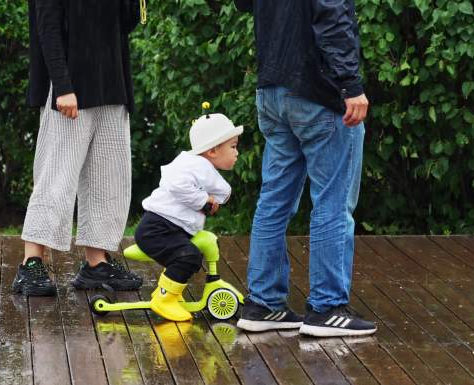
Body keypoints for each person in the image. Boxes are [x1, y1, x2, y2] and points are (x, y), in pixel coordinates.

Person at [234, 0, 377, 337]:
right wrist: (350, 85)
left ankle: (263, 304)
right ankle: (327, 308)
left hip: (272, 88)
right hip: (316, 90)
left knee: (275, 199)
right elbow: (333, 16)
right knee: (333, 199)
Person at [12, 0, 143, 296]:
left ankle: (96, 264)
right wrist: (62, 86)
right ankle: (30, 264)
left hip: (112, 85)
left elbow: (127, 23)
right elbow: (46, 27)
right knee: (55, 178)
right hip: (69, 91)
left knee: (109, 180)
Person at [134, 113, 243, 321]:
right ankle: (164, 300)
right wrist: (203, 201)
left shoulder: (201, 167)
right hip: (156, 229)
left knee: (190, 255)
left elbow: (223, 192)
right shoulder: (194, 165)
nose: (236, 153)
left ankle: (165, 294)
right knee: (188, 256)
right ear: (212, 150)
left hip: (164, 228)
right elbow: (176, 184)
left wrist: (211, 199)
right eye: (233, 146)